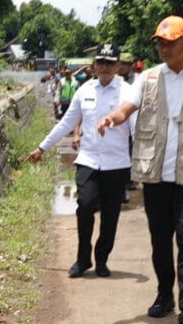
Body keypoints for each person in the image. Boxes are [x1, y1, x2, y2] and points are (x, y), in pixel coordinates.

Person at [96, 15, 183, 324]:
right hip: (156, 177)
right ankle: (164, 294)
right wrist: (112, 118)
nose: (163, 48)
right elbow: (127, 108)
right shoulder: (147, 79)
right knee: (159, 241)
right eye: (160, 43)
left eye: (169, 43)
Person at [27, 43, 134, 278]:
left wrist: (139, 164)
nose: (105, 67)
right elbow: (66, 122)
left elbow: (135, 129)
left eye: (110, 63)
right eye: (101, 62)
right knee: (85, 205)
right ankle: (83, 258)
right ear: (94, 65)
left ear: (118, 65)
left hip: (116, 164)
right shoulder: (84, 90)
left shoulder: (127, 92)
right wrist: (42, 147)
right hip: (88, 159)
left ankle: (102, 258)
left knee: (110, 214)